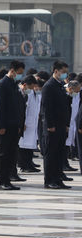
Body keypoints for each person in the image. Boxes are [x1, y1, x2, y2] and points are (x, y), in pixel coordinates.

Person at [0, 60, 26, 190]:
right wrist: (1, 126)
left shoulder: (14, 84)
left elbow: (17, 106)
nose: (20, 76)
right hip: (5, 126)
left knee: (12, 154)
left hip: (14, 125)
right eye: (19, 73)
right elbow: (0, 107)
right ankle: (2, 181)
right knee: (3, 154)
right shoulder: (2, 85)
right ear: (12, 70)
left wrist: (19, 124)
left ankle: (8, 179)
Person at [42, 61, 72, 189]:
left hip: (61, 125)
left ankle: (58, 178)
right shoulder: (49, 86)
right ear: (56, 71)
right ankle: (49, 180)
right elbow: (46, 108)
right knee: (51, 154)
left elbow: (64, 106)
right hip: (52, 126)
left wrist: (66, 124)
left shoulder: (60, 86)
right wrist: (50, 125)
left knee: (60, 153)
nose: (65, 75)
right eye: (63, 72)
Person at [18, 76, 40, 173]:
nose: (35, 88)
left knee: (30, 145)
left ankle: (29, 164)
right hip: (26, 123)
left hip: (33, 123)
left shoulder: (34, 93)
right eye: (33, 86)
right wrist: (24, 122)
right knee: (24, 146)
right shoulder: (27, 93)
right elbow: (24, 109)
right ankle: (24, 165)